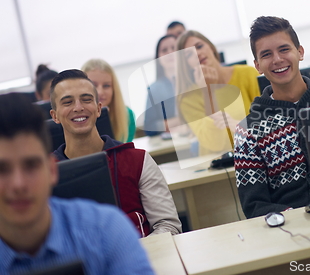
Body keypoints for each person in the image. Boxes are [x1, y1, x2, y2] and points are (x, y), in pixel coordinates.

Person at [0, 93, 154, 274]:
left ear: (52, 170)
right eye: (2, 170)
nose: (19, 184)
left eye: (31, 166)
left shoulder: (107, 232)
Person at [233, 16, 310, 219]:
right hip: (293, 229)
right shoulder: (247, 131)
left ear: (300, 52)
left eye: (284, 49)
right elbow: (254, 205)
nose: (277, 60)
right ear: (257, 65)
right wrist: (296, 218)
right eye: (266, 54)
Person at [49, 69, 182, 237]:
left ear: (98, 109)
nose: (78, 107)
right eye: (67, 102)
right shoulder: (46, 174)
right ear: (55, 116)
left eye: (86, 99)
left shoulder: (138, 161)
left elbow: (168, 225)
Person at [175, 30, 260, 155]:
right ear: (185, 64)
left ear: (211, 47)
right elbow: (215, 143)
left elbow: (266, 120)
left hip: (255, 153)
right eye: (189, 54)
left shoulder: (247, 74)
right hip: (219, 163)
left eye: (199, 46)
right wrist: (208, 91)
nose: (197, 53)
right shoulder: (187, 98)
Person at [81, 58, 136, 142]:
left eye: (106, 86)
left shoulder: (127, 115)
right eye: (93, 85)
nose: (100, 92)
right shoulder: (75, 118)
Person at [143, 35, 183, 136]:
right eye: (164, 50)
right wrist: (180, 120)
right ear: (158, 58)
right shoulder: (154, 89)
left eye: (174, 48)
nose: (170, 53)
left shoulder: (196, 80)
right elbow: (150, 127)